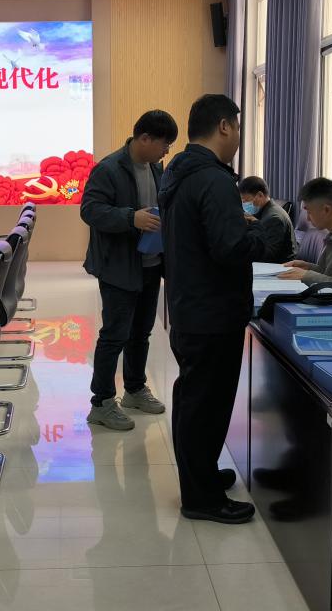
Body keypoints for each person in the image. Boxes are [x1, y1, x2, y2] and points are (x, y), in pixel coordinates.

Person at [159, 94, 268, 524]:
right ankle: (201, 497)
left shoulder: (179, 172)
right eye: (238, 127)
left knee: (194, 399)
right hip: (213, 312)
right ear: (224, 126)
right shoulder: (214, 180)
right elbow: (229, 249)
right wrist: (260, 236)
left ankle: (200, 475)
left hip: (190, 306)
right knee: (206, 404)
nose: (238, 136)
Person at [81, 110, 178, 430]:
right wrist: (130, 218)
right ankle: (102, 403)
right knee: (114, 335)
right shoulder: (109, 169)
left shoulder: (156, 168)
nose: (166, 151)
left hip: (150, 264)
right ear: (145, 138)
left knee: (141, 333)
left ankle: (134, 390)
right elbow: (90, 210)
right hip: (119, 268)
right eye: (164, 144)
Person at [238, 176, 296, 263]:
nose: (244, 204)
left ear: (260, 195)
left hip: (280, 267)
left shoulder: (274, 218)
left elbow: (268, 255)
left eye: (245, 200)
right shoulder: (263, 212)